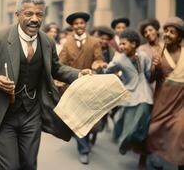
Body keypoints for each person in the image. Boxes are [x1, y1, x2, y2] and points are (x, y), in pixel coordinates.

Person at [0, 0, 91, 170]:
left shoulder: (47, 42)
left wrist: (78, 74)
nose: (34, 19)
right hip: (2, 114)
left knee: (29, 165)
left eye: (39, 14)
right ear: (17, 15)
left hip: (32, 114)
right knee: (11, 166)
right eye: (29, 14)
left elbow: (56, 68)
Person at [96, 29, 153, 169]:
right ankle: (124, 142)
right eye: (120, 44)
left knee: (142, 120)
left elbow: (147, 74)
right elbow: (107, 71)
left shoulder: (143, 56)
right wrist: (100, 66)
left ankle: (140, 152)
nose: (120, 46)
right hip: (129, 94)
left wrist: (155, 69)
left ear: (134, 44)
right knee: (123, 122)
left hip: (144, 92)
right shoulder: (118, 59)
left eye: (124, 43)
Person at [59, 12, 105, 165]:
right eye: (76, 24)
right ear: (72, 26)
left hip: (90, 86)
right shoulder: (67, 43)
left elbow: (99, 59)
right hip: (72, 86)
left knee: (91, 118)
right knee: (77, 120)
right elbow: (61, 64)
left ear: (85, 25)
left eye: (81, 23)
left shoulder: (94, 41)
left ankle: (89, 136)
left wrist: (97, 65)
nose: (79, 26)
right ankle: (83, 150)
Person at [147, 17, 184, 170]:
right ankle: (155, 160)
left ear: (180, 37)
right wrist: (155, 68)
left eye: (172, 32)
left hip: (181, 102)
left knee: (179, 131)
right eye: (166, 31)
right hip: (162, 101)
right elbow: (151, 78)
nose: (167, 34)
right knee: (155, 131)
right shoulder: (158, 52)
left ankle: (181, 162)